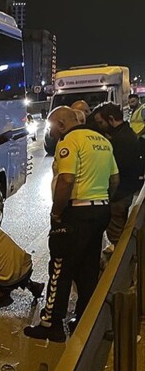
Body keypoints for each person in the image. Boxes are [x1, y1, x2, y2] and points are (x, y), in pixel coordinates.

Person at [24, 107, 119, 342]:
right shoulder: (102, 141)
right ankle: (83, 321)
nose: (50, 132)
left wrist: (57, 212)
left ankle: (51, 324)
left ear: (62, 125)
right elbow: (114, 180)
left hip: (76, 213)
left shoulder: (69, 141)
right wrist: (103, 202)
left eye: (51, 127)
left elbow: (67, 179)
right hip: (101, 210)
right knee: (88, 270)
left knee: (60, 268)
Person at [93, 103, 145, 251]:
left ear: (110, 119)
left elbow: (113, 172)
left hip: (120, 195)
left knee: (117, 234)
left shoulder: (119, 141)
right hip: (127, 190)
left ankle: (119, 268)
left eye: (100, 122)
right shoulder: (126, 133)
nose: (99, 126)